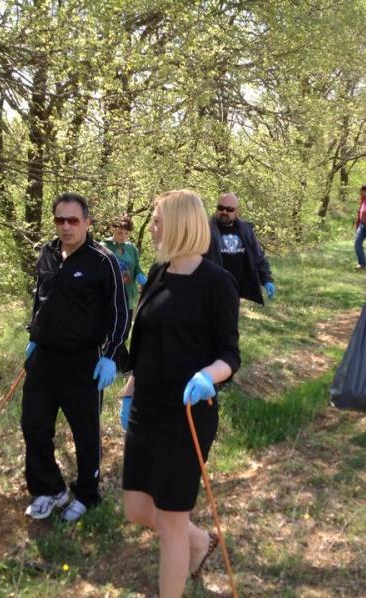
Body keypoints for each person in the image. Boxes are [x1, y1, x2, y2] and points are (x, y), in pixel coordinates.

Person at [119, 189, 240, 597]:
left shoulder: (217, 283)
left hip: (187, 413)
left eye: (156, 219)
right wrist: (130, 388)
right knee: (136, 508)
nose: (151, 227)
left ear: (179, 224)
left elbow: (230, 355)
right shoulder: (157, 272)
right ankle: (199, 539)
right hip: (146, 408)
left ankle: (178, 568)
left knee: (170, 521)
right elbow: (146, 340)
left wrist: (210, 375)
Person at [22, 192, 129, 522]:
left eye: (73, 220)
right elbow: (41, 300)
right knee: (34, 426)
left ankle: (87, 493)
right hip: (43, 360)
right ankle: (49, 489)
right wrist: (34, 336)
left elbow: (120, 313)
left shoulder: (102, 261)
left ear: (87, 222)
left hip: (84, 363)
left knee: (85, 434)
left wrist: (110, 355)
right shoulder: (48, 254)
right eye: (59, 220)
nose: (66, 227)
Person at [204, 192, 275, 304]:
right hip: (214, 289)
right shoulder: (206, 230)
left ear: (237, 211)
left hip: (237, 290)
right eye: (220, 208)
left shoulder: (245, 230)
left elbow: (258, 256)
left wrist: (266, 279)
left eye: (229, 209)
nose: (224, 212)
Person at [101, 215, 148, 321]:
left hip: (128, 296)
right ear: (113, 229)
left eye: (126, 233)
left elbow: (136, 268)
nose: (123, 236)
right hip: (110, 296)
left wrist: (140, 276)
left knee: (125, 328)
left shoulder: (132, 249)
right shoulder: (103, 247)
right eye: (120, 233)